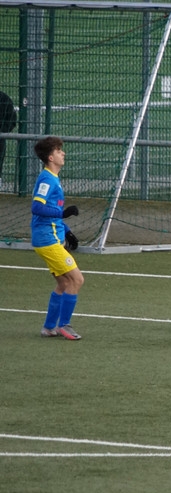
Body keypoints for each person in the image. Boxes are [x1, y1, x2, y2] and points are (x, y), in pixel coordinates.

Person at [31, 136, 84, 340]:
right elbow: (37, 207)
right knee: (76, 279)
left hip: (49, 238)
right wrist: (62, 214)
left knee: (63, 283)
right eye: (59, 151)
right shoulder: (47, 179)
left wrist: (67, 230)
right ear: (51, 157)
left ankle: (49, 327)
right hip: (48, 241)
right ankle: (64, 325)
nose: (63, 153)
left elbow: (51, 212)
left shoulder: (53, 178)